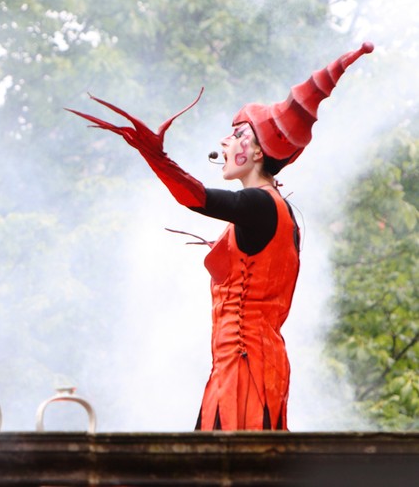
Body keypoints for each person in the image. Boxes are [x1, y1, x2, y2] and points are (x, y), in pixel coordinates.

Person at [67, 42, 374, 430]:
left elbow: (196, 198)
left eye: (237, 134)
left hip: (246, 368)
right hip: (243, 364)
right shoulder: (270, 210)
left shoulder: (261, 206)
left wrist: (156, 157)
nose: (226, 143)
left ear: (258, 151)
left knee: (229, 469)